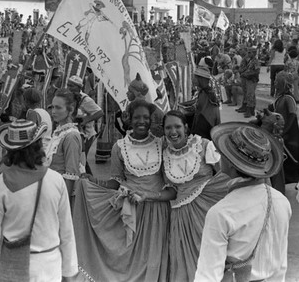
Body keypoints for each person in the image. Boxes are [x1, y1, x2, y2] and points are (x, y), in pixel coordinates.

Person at [73, 99, 174, 281]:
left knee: (152, 260)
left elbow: (171, 184)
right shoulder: (119, 147)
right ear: (128, 118)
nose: (141, 121)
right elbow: (115, 182)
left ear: (151, 119)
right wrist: (93, 181)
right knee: (132, 260)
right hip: (131, 210)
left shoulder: (161, 144)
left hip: (157, 212)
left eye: (146, 117)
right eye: (137, 117)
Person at [0, 119, 79, 281]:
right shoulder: (56, 180)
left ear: (10, 150)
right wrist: (70, 272)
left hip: (13, 268)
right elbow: (67, 231)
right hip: (49, 266)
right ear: (38, 146)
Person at [194, 122, 291, 281]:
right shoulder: (281, 202)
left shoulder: (221, 213)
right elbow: (280, 265)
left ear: (231, 164)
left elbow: (207, 275)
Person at [163, 110, 230, 282]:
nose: (173, 132)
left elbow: (225, 177)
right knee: (184, 264)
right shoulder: (164, 155)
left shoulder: (204, 145)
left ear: (186, 127)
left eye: (177, 126)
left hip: (207, 214)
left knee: (210, 258)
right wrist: (145, 195)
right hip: (181, 219)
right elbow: (172, 191)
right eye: (168, 127)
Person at [47, 89, 84, 198]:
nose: (53, 111)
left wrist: (64, 205)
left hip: (60, 194)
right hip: (51, 191)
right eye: (52, 107)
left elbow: (71, 175)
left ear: (71, 110)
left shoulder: (71, 136)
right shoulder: (60, 131)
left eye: (58, 108)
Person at [269, 73, 299, 184]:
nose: (275, 83)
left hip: (289, 134)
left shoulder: (289, 98)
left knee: (288, 158)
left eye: (277, 81)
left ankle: (288, 179)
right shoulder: (280, 98)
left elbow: (292, 115)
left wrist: (285, 131)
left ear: (283, 83)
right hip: (280, 131)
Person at [191, 63, 221, 139]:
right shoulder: (204, 90)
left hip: (206, 121)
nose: (193, 79)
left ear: (201, 79)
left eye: (195, 77)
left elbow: (214, 101)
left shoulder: (207, 92)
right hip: (206, 118)